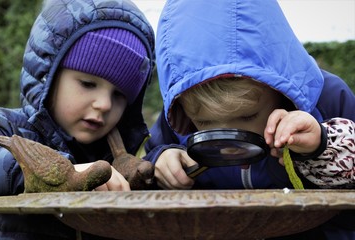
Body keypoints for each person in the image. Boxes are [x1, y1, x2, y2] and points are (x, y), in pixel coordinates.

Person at [144, 0, 355, 239]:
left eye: (248, 116)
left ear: (278, 90)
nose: (229, 143)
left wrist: (320, 148)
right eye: (204, 123)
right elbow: (147, 172)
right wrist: (161, 160)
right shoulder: (177, 117)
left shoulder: (328, 100)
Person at [0, 0, 154, 239]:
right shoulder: (5, 127)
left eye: (119, 95)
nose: (105, 104)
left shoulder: (120, 165)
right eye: (88, 84)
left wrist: (164, 161)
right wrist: (61, 172)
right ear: (47, 76)